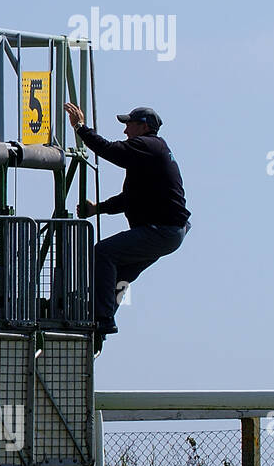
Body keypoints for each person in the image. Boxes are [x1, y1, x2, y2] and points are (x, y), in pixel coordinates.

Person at [61, 103, 190, 348]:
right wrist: (98, 208)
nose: (125, 131)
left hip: (161, 231)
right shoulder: (150, 153)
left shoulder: (147, 146)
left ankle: (103, 319)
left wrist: (80, 128)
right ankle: (101, 326)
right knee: (121, 276)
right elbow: (130, 198)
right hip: (169, 232)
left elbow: (110, 151)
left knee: (103, 253)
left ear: (143, 126)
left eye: (128, 124)